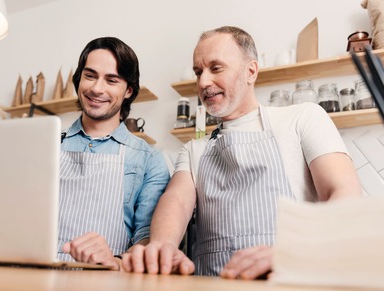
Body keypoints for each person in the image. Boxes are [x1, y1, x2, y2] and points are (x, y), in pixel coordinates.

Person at [121, 26, 363, 278]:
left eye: (215, 68)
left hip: (293, 281)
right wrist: (163, 246)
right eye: (198, 72)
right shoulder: (195, 149)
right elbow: (177, 201)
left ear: (251, 71)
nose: (203, 82)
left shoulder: (303, 118)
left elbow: (344, 192)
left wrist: (295, 249)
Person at [58, 36, 170, 270]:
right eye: (90, 76)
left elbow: (147, 239)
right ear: (78, 80)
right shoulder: (47, 146)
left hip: (104, 281)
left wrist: (116, 262)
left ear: (128, 90)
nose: (97, 89)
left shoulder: (149, 160)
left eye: (112, 80)